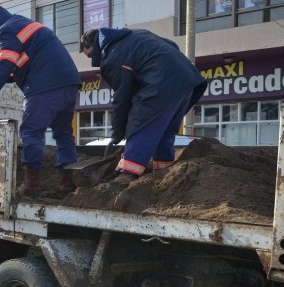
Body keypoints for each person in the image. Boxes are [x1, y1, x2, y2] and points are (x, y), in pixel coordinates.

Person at [0, 2, 81, 197]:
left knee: (31, 132)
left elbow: (2, 66)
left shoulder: (6, 31)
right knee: (63, 134)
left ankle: (31, 185)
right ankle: (66, 184)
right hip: (69, 83)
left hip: (44, 87)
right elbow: (16, 67)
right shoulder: (23, 24)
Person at [79, 28, 208, 183]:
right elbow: (171, 45)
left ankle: (128, 173)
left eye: (91, 55)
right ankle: (163, 170)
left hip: (162, 83)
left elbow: (122, 97)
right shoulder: (136, 34)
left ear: (93, 44)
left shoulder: (114, 55)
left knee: (141, 124)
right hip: (187, 81)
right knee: (164, 131)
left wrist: (118, 132)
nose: (93, 59)